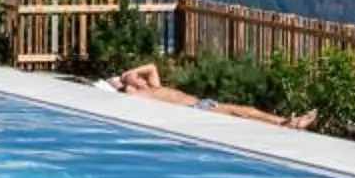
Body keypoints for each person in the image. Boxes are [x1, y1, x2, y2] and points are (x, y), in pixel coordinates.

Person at [99, 60, 315, 130]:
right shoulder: (139, 95)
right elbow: (124, 88)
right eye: (135, 80)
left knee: (244, 112)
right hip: (195, 111)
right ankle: (287, 122)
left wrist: (132, 73)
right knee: (244, 112)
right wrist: (126, 79)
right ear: (127, 85)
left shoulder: (153, 86)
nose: (141, 78)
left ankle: (286, 122)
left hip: (201, 104)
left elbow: (152, 66)